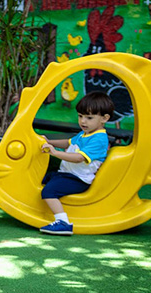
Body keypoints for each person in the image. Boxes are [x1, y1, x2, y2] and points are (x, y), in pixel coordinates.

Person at [39, 91, 114, 236]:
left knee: (48, 191)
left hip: (79, 179)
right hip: (67, 174)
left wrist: (55, 153)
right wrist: (49, 141)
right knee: (43, 178)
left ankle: (63, 222)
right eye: (80, 116)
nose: (83, 121)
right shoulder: (86, 133)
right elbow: (68, 142)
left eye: (89, 117)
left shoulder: (99, 139)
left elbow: (79, 158)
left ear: (104, 118)